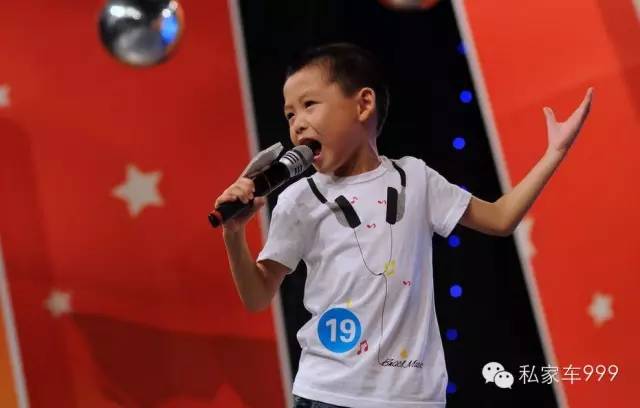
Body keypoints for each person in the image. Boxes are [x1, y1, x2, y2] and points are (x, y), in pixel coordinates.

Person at [214, 43, 593, 408]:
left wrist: (555, 152)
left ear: (363, 104)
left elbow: (500, 218)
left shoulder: (416, 178)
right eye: (289, 115)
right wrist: (234, 234)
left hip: (414, 397)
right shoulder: (299, 199)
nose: (297, 124)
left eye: (309, 104)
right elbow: (257, 296)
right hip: (328, 394)